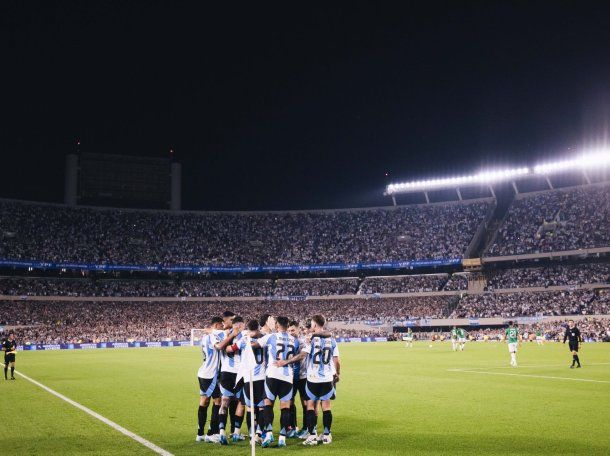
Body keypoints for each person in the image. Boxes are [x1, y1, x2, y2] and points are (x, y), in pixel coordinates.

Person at [280, 314, 340, 446]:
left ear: (314, 324)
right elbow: (337, 360)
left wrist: (286, 361)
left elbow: (303, 355)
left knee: (310, 406)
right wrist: (337, 374)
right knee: (326, 406)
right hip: (327, 378)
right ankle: (326, 434)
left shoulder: (310, 339)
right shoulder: (332, 340)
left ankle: (312, 435)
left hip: (312, 378)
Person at [253, 316, 300, 448]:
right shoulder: (294, 340)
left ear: (277, 325)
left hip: (273, 374)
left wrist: (248, 337)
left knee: (268, 403)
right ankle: (282, 438)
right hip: (287, 377)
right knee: (285, 407)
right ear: (287, 325)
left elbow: (255, 345)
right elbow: (296, 355)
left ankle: (268, 433)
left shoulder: (271, 337)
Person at [233, 319, 266, 444]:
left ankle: (252, 434)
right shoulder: (264, 338)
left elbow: (231, 349)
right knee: (262, 407)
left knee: (250, 408)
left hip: (248, 378)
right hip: (262, 378)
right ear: (258, 327)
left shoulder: (243, 340)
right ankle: (259, 434)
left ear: (248, 327)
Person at [216, 315, 246, 444]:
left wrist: (230, 335)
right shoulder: (244, 335)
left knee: (225, 402)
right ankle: (236, 433)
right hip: (239, 373)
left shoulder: (223, 335)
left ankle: (222, 431)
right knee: (241, 402)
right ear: (240, 325)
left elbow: (220, 347)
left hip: (226, 372)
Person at [195, 317, 224, 443]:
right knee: (218, 401)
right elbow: (218, 346)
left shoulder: (206, 337)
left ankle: (200, 434)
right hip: (210, 375)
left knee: (204, 401)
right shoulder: (212, 336)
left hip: (203, 373)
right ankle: (211, 434)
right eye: (222, 325)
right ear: (217, 325)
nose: (223, 327)